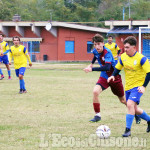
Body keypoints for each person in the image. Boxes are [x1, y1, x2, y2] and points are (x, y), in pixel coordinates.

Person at [108, 36, 150, 137]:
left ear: (134, 48)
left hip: (138, 86)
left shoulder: (142, 59)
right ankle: (149, 120)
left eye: (127, 47)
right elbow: (118, 68)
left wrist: (143, 86)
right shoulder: (123, 57)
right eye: (124, 47)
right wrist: (113, 76)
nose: (125, 49)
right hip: (128, 87)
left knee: (130, 104)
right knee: (134, 108)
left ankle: (128, 130)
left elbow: (149, 73)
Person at [83, 34, 127, 122]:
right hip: (104, 76)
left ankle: (135, 112)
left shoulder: (107, 53)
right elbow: (95, 56)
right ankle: (97, 115)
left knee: (122, 100)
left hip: (114, 77)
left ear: (103, 43)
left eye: (99, 44)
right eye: (95, 44)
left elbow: (107, 67)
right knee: (95, 91)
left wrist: (92, 69)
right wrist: (91, 64)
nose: (97, 46)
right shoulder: (95, 51)